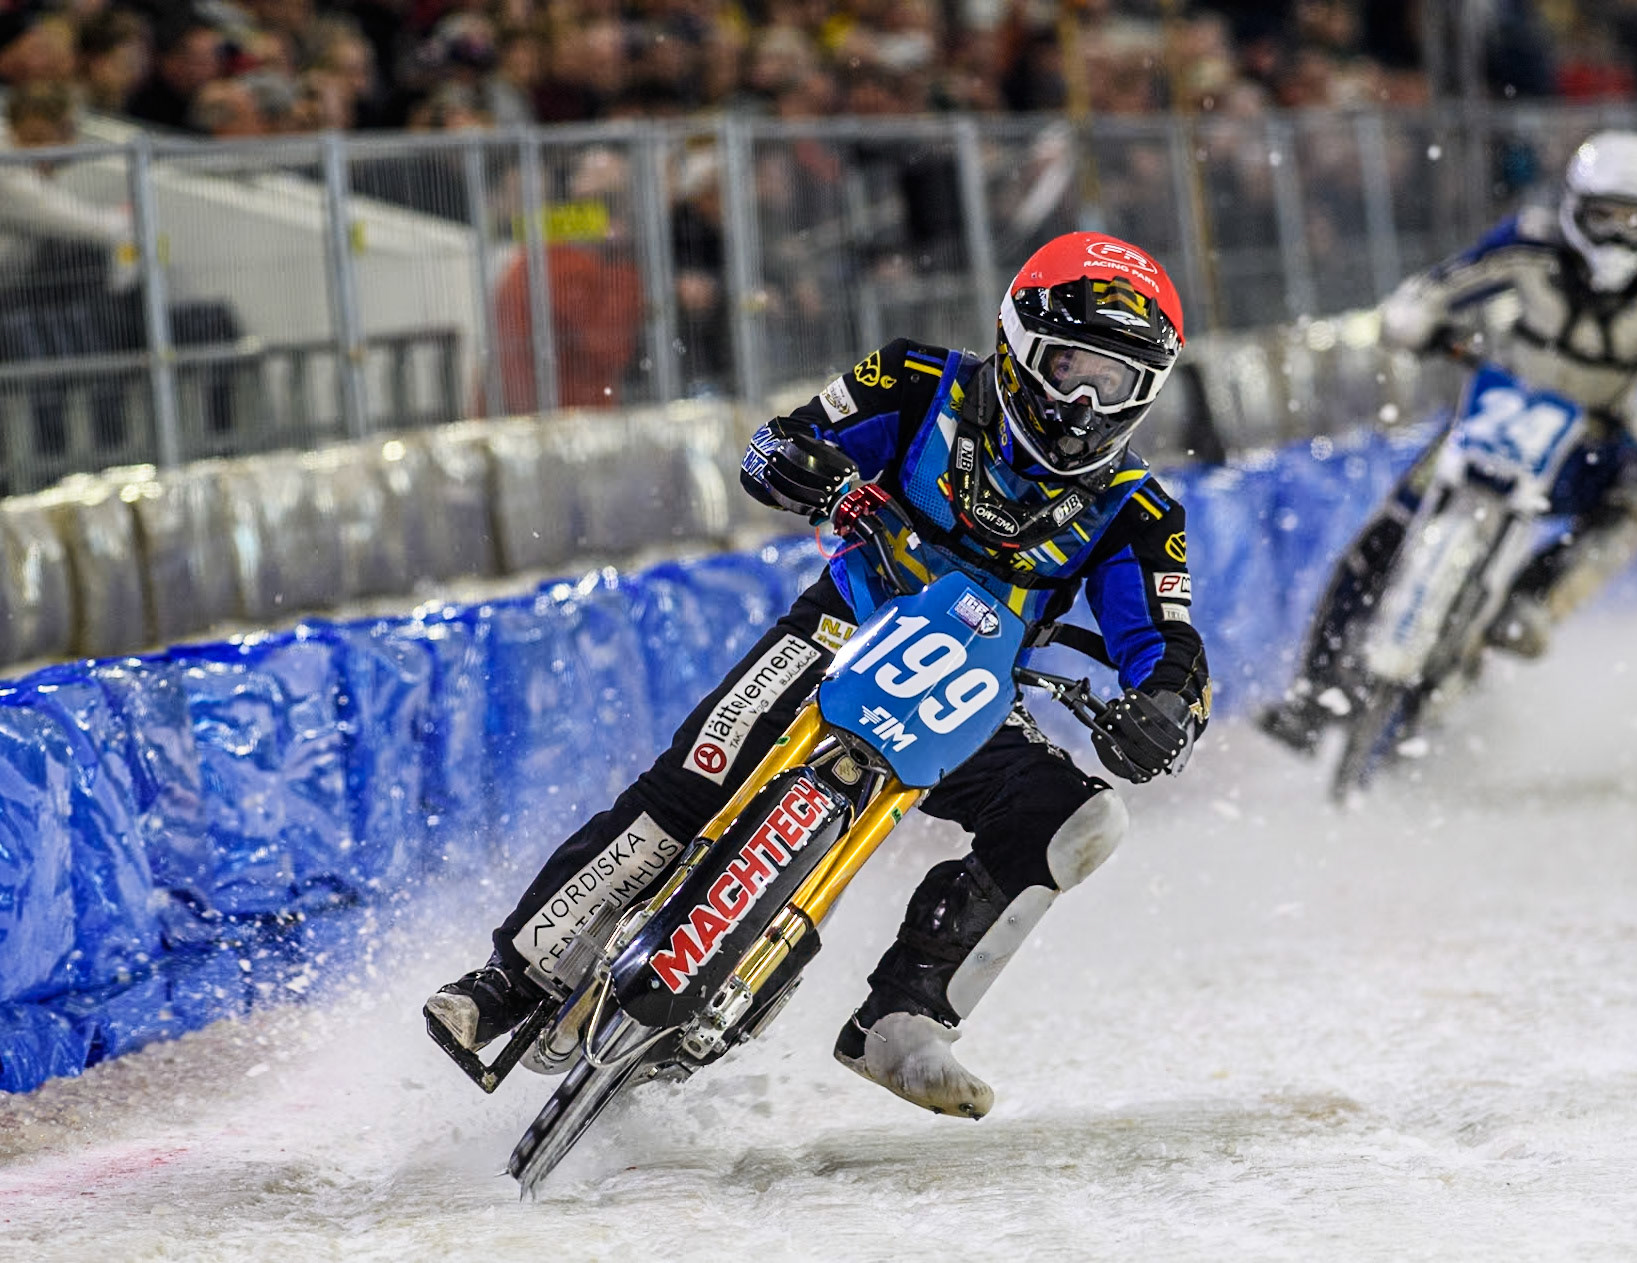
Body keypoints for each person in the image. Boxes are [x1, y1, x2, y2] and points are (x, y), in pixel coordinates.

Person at [428, 231, 1212, 1118]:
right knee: (689, 783)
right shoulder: (919, 380)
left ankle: (905, 1019)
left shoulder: (1140, 510)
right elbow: (775, 445)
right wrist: (834, 487)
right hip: (840, 627)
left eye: (1108, 380)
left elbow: (1168, 642)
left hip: (967, 694)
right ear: (1022, 340)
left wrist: (1164, 710)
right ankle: (507, 981)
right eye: (1070, 364)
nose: (1080, 398)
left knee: (1082, 818)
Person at [1258, 130, 1637, 753]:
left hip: (1592, 447)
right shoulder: (1529, 243)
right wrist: (1414, 313)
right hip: (1499, 412)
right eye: (1601, 216)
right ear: (1573, 206)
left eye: (1632, 221)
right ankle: (1312, 695)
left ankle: (1537, 599)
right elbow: (1444, 284)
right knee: (1384, 534)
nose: (1613, 236)